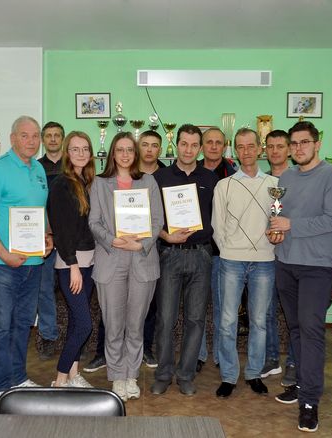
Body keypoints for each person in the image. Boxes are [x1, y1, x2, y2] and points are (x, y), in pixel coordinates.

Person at [268, 121, 332, 433]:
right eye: (294, 143)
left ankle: (310, 402)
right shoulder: (286, 177)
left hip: (316, 267)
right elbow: (278, 215)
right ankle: (302, 385)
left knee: (312, 331)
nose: (298, 148)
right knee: (296, 329)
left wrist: (291, 226)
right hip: (285, 263)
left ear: (317, 144)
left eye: (304, 142)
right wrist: (275, 232)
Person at [0, 116, 53, 405]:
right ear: (12, 138)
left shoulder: (39, 169)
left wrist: (47, 236)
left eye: (35, 136)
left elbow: (38, 210)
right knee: (0, 326)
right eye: (25, 135)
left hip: (32, 263)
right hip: (0, 264)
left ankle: (18, 377)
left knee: (23, 324)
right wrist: (4, 254)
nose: (31, 141)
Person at [89, 132, 164, 401]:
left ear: (135, 154)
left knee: (135, 324)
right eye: (120, 150)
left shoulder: (148, 181)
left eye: (129, 150)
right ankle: (117, 376)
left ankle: (131, 375)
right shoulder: (99, 183)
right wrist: (113, 240)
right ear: (113, 153)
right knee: (113, 323)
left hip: (142, 259)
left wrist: (140, 244)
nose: (125, 154)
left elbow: (157, 221)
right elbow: (94, 222)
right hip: (111, 258)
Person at [151, 124, 218, 397]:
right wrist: (165, 235)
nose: (188, 149)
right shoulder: (159, 177)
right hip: (170, 255)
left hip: (201, 255)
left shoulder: (211, 179)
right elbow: (150, 218)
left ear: (199, 148)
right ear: (176, 145)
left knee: (195, 320)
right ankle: (163, 374)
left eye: (194, 145)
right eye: (184, 144)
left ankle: (186, 375)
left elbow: (218, 217)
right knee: (165, 319)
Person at [212, 128, 277, 398]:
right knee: (227, 321)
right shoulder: (224, 185)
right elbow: (217, 226)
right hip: (231, 261)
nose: (246, 151)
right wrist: (230, 250)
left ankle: (253, 373)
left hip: (264, 261)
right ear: (235, 151)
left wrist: (271, 243)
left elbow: (278, 223)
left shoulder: (274, 184)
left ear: (260, 149)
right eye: (241, 146)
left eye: (251, 146)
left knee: (259, 321)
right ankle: (229, 376)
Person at [48, 131, 97, 388]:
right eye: (75, 149)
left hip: (89, 261)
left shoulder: (84, 182)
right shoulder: (62, 184)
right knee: (84, 325)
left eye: (85, 149)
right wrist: (73, 266)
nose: (81, 153)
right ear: (67, 153)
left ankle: (74, 374)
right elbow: (62, 230)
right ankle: (60, 379)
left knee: (78, 322)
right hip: (72, 264)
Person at [196, 127, 237, 372]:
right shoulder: (192, 172)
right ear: (202, 146)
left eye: (218, 142)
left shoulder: (234, 176)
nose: (213, 146)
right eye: (209, 142)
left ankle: (222, 355)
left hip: (224, 253)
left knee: (224, 308)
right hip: (199, 251)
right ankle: (198, 354)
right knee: (197, 307)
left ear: (224, 146)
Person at [261, 130, 297, 387]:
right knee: (265, 310)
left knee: (295, 315)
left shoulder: (298, 179)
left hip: (292, 256)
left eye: (280, 146)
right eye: (270, 146)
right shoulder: (261, 180)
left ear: (289, 150)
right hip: (265, 255)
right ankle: (272, 358)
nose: (275, 151)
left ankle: (294, 362)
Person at [34, 121, 65, 360]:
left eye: (57, 135)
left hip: (68, 239)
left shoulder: (72, 165)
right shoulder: (34, 168)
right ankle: (48, 336)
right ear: (43, 140)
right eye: (49, 135)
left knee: (73, 289)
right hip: (43, 239)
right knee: (44, 289)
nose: (53, 139)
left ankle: (76, 337)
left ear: (62, 139)